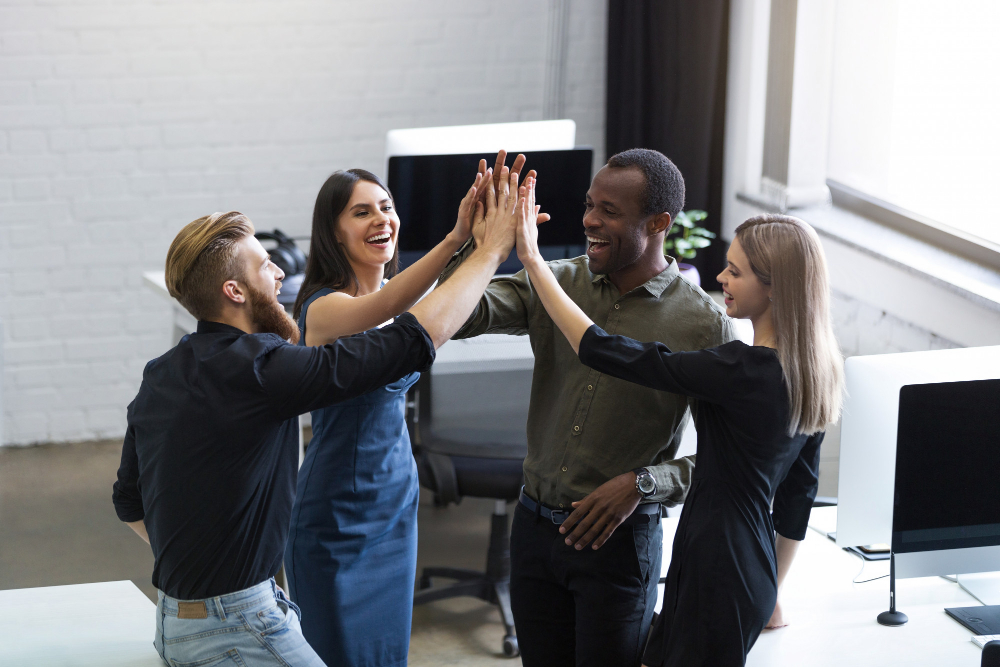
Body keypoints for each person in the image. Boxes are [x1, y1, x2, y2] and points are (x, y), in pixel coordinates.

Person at [112, 178, 526, 667]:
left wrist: (198, 579)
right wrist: (489, 251)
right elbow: (406, 342)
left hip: (179, 619)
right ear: (234, 291)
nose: (280, 272)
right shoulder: (262, 370)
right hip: (238, 622)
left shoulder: (162, 372)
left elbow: (129, 501)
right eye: (265, 266)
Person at [511, 188, 844, 666]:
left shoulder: (742, 368)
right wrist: (772, 589)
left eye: (735, 271)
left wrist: (533, 260)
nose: (721, 278)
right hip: (750, 566)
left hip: (714, 563)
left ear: (775, 288)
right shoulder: (815, 372)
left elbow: (601, 350)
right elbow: (798, 497)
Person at [439, 148, 737, 666]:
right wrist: (476, 243)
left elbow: (731, 459)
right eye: (589, 205)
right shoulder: (557, 281)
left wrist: (645, 483)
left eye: (610, 211)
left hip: (617, 544)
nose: (589, 220)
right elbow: (458, 316)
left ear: (660, 223)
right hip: (533, 531)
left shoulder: (703, 326)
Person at [284, 162, 524, 666]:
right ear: (333, 232)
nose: (381, 220)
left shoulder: (392, 302)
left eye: (386, 207)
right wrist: (474, 246)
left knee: (388, 654)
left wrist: (466, 236)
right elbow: (410, 315)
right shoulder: (324, 310)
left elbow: (416, 305)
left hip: (395, 498)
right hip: (337, 511)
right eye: (361, 212)